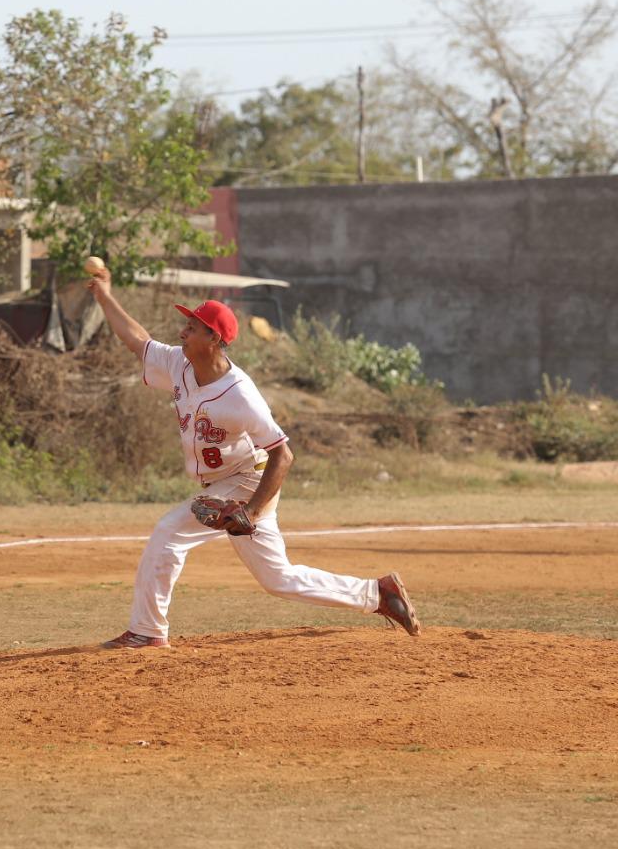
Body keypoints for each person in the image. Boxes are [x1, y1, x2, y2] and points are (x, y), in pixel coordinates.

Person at [85, 267, 420, 647]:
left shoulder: (240, 395)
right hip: (228, 482)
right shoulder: (180, 364)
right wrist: (104, 295)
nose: (182, 332)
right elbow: (138, 341)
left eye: (192, 327)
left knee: (168, 534)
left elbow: (284, 455)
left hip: (247, 479)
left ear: (213, 338)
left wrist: (252, 512)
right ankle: (378, 594)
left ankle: (147, 632)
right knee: (277, 578)